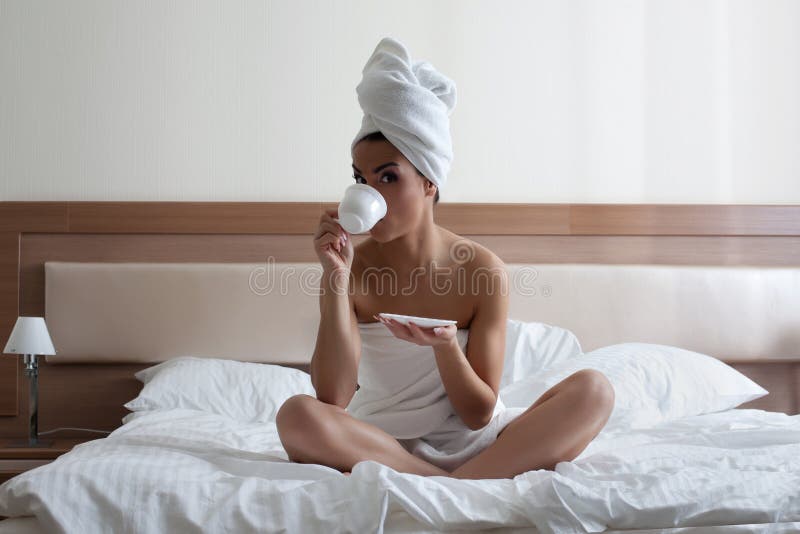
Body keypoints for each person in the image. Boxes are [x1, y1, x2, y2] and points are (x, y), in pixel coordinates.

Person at [276, 37, 614, 480]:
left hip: (481, 444)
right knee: (297, 414)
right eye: (361, 177)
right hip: (381, 446)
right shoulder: (350, 267)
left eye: (388, 177)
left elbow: (477, 413)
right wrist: (336, 281)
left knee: (595, 390)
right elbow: (332, 396)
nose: (369, 192)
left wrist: (445, 347)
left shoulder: (481, 270)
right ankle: (452, 486)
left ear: (429, 183)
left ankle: (458, 481)